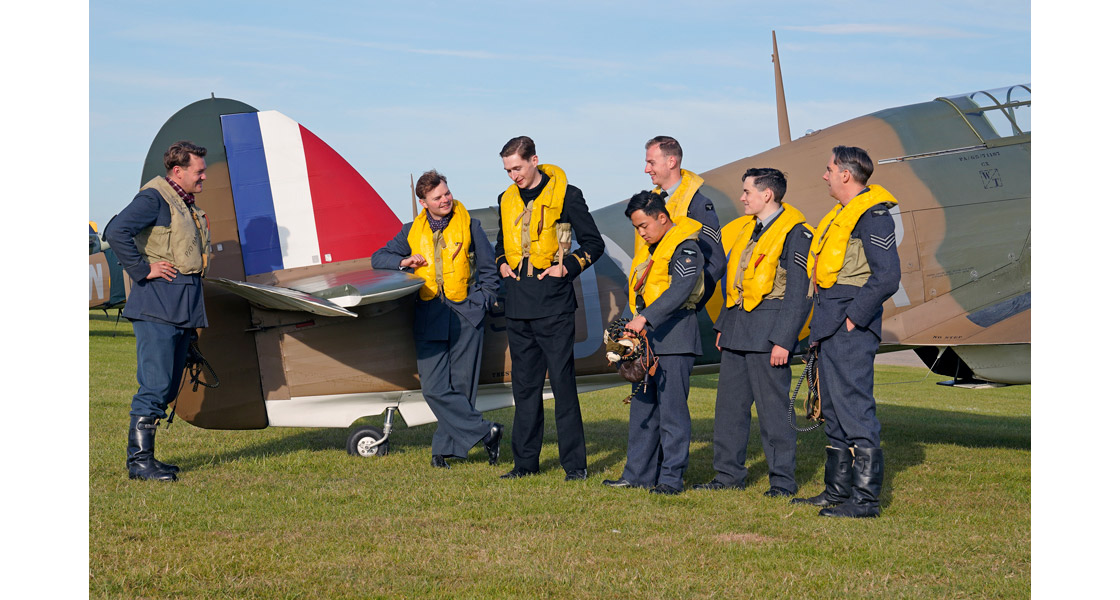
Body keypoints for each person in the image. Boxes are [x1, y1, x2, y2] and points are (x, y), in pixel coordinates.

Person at [791, 145, 901, 518]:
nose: (824, 176)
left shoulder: (873, 216)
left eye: (828, 169)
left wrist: (854, 316)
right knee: (834, 409)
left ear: (845, 174)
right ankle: (837, 491)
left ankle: (866, 501)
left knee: (854, 408)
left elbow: (888, 276)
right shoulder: (841, 214)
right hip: (829, 323)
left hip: (849, 325)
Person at [370, 170, 503, 469]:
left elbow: (488, 268)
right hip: (429, 314)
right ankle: (487, 432)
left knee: (462, 386)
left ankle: (443, 451)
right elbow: (378, 258)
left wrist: (483, 300)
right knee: (433, 388)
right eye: (437, 197)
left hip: (467, 314)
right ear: (423, 202)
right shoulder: (410, 231)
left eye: (446, 193)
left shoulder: (471, 225)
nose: (445, 200)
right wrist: (404, 261)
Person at [692, 168, 813, 497]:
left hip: (769, 336)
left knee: (773, 412)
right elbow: (737, 284)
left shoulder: (796, 234)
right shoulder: (750, 230)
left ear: (767, 194)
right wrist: (723, 326)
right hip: (737, 331)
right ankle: (727, 476)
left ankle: (782, 482)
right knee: (729, 410)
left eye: (747, 192)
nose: (742, 198)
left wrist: (784, 340)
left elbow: (799, 293)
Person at [494, 136, 603, 481]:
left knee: (562, 386)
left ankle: (575, 466)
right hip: (517, 306)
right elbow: (501, 243)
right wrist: (501, 263)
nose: (514, 176)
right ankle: (524, 464)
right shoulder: (505, 199)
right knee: (524, 388)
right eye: (508, 170)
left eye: (518, 167)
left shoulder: (568, 195)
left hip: (554, 306)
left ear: (534, 160)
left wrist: (566, 268)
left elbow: (594, 243)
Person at [104, 141, 212, 482]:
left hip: (180, 308)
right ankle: (139, 463)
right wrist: (142, 269)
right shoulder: (154, 198)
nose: (204, 176)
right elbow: (116, 231)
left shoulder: (184, 203)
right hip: (157, 307)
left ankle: (147, 459)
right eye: (199, 171)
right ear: (178, 171)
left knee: (165, 388)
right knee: (154, 386)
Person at [602, 191, 704, 495]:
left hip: (675, 339)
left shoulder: (686, 248)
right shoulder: (651, 250)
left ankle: (671, 479)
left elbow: (681, 289)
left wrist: (645, 318)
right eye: (636, 228)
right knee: (643, 412)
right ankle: (637, 475)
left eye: (644, 225)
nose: (641, 233)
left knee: (672, 414)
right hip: (646, 341)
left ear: (662, 217)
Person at [641, 136, 724, 307]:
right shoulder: (650, 203)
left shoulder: (698, 205)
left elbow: (716, 263)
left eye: (651, 163)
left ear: (671, 162)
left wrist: (690, 303)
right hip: (650, 308)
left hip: (678, 311)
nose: (646, 169)